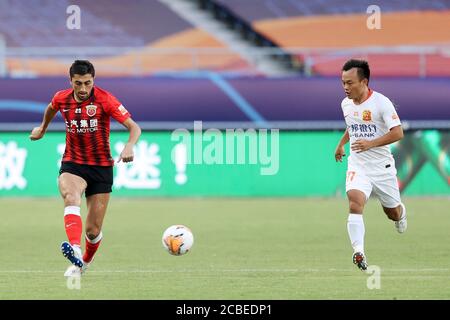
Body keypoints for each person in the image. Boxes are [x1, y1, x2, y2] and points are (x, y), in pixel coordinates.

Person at [30, 60, 141, 277]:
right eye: (78, 83)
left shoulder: (105, 100)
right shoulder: (61, 97)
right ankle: (75, 249)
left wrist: (129, 145)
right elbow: (52, 108)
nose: (83, 89)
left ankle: (84, 262)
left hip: (101, 168)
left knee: (93, 231)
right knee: (71, 196)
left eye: (87, 83)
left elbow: (134, 127)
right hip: (74, 163)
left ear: (93, 81)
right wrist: (42, 129)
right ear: (70, 81)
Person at [335, 59, 407, 271]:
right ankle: (359, 251)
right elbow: (353, 126)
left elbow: (398, 132)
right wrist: (341, 144)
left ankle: (401, 214)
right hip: (358, 165)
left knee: (392, 213)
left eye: (350, 83)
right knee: (355, 202)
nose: (346, 87)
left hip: (382, 167)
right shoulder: (345, 104)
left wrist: (371, 144)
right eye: (343, 83)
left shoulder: (381, 103)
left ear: (364, 81)